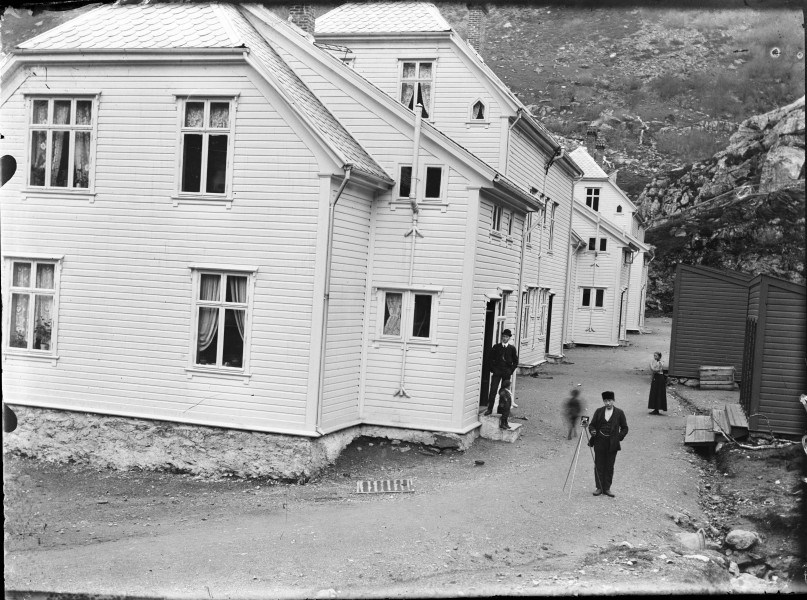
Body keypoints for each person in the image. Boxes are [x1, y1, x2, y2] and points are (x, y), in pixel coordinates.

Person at [587, 391, 628, 498]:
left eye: (610, 401)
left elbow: (625, 428)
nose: (608, 403)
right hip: (599, 441)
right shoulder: (599, 411)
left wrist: (618, 437)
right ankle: (599, 487)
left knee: (609, 466)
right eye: (605, 401)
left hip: (612, 443)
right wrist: (592, 431)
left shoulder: (619, 412)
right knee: (599, 465)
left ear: (613, 400)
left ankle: (607, 488)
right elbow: (591, 425)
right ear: (603, 401)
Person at [484, 329, 519, 416]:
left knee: (505, 392)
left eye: (506, 337)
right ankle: (489, 409)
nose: (504, 338)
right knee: (493, 390)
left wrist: (510, 371)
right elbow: (489, 360)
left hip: (506, 373)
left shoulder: (512, 349)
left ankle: (502, 410)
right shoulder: (496, 347)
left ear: (509, 338)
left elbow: (515, 362)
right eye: (503, 336)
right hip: (497, 372)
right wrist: (493, 369)